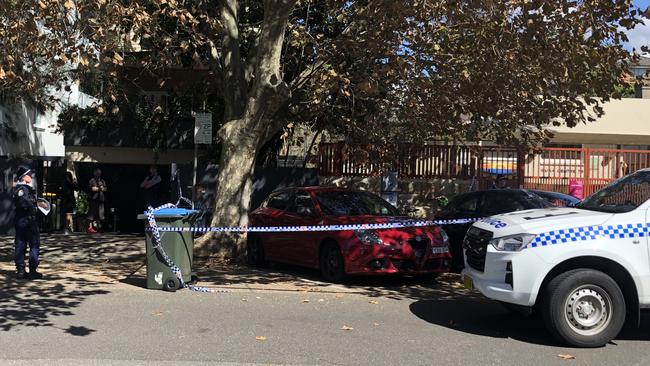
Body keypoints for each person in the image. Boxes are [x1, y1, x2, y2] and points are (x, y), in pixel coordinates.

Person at [13, 166, 42, 279]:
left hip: (21, 219)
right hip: (27, 219)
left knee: (20, 244)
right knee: (34, 244)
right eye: (29, 174)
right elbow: (24, 202)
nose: (31, 176)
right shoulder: (22, 189)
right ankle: (31, 270)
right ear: (23, 177)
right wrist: (34, 207)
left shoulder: (22, 189)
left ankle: (21, 269)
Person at [87, 167, 107, 233]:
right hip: (93, 199)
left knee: (100, 215)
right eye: (97, 173)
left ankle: (98, 227)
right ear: (94, 173)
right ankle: (90, 227)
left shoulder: (102, 181)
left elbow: (105, 189)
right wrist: (100, 188)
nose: (98, 174)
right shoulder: (92, 180)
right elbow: (93, 189)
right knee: (91, 214)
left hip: (101, 200)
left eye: (99, 173)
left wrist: (101, 188)